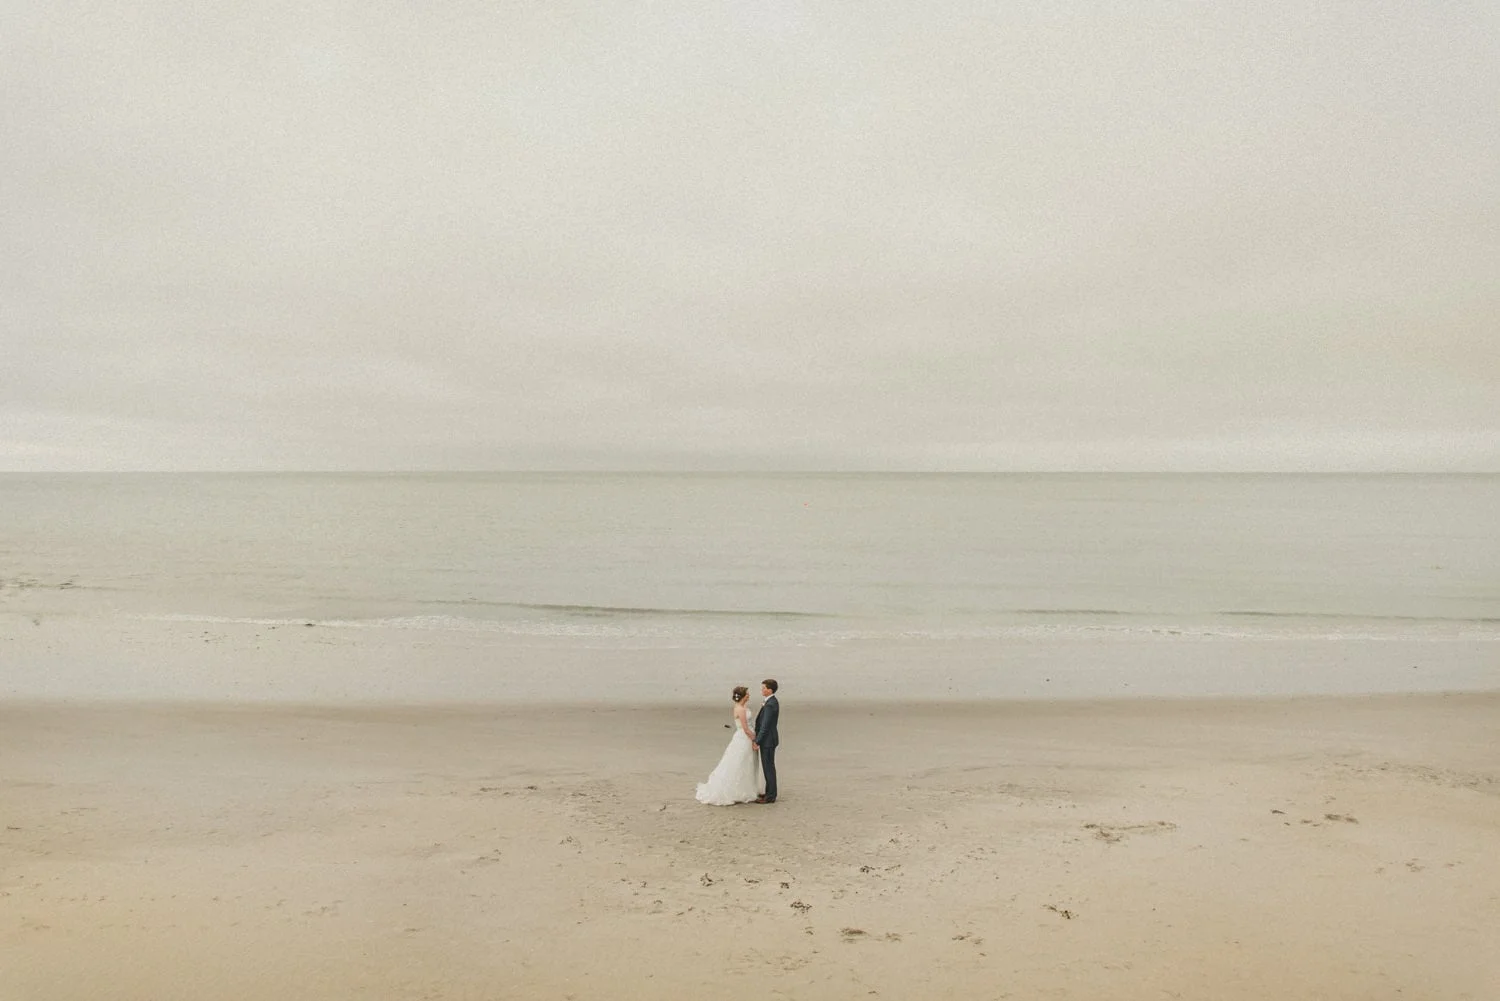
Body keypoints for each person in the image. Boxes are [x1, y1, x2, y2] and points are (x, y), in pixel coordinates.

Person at [694, 686, 765, 806]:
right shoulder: (740, 709)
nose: (749, 695)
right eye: (747, 694)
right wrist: (755, 740)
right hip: (744, 738)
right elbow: (745, 728)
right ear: (743, 696)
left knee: (747, 763)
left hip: (745, 736)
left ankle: (746, 788)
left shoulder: (743, 707)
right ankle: (736, 790)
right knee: (739, 762)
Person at [752, 678, 779, 804]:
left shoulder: (770, 704)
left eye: (764, 688)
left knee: (768, 768)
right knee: (768, 767)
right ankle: (769, 793)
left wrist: (757, 741)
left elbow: (765, 726)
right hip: (769, 739)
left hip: (768, 741)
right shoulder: (771, 702)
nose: (762, 690)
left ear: (770, 690)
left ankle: (771, 796)